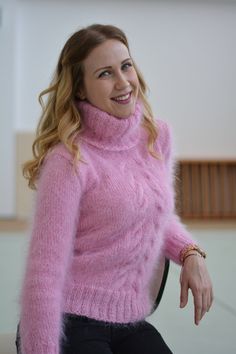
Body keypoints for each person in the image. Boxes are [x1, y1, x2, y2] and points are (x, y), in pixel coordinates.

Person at [17, 24, 213, 354]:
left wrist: (190, 252)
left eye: (126, 66)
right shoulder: (69, 159)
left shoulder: (155, 137)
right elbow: (44, 272)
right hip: (70, 318)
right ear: (80, 89)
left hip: (130, 321)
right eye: (105, 73)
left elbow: (155, 215)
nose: (123, 82)